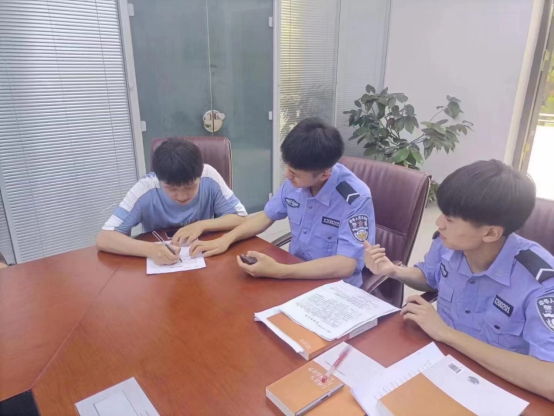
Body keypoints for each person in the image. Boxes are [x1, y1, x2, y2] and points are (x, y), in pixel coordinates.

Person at [364, 160, 554, 401]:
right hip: (439, 362)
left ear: (490, 233)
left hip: (497, 387)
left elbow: (549, 379)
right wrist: (394, 271)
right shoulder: (447, 243)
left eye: (450, 219)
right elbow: (430, 278)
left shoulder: (541, 284)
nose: (439, 223)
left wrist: (446, 333)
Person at [189, 117, 375, 287]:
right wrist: (226, 239)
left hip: (334, 287)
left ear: (324, 174)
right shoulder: (296, 182)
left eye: (294, 173)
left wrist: (280, 271)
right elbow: (266, 216)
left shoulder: (355, 198)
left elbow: (346, 264)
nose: (287, 175)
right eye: (287, 167)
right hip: (295, 273)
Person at [96, 138, 247, 265]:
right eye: (171, 188)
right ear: (159, 179)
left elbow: (241, 218)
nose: (181, 196)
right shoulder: (145, 189)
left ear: (200, 174)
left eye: (190, 187)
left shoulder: (209, 176)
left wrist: (201, 225)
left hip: (202, 258)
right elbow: (104, 238)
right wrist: (150, 250)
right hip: (161, 265)